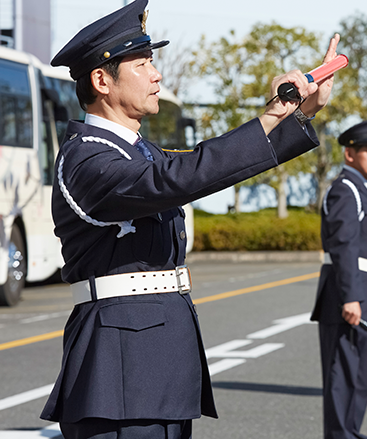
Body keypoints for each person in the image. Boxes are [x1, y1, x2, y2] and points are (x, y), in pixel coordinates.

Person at [39, 1, 340, 437]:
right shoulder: (85, 156)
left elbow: (202, 165)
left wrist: (302, 112)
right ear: (102, 80)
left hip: (161, 360)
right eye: (142, 65)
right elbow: (180, 177)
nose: (156, 75)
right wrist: (274, 113)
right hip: (121, 366)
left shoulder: (140, 150)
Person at [311, 120, 367, 439]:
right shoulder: (346, 190)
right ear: (349, 155)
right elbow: (343, 246)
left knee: (359, 376)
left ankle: (350, 433)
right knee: (343, 376)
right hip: (349, 296)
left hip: (366, 295)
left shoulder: (364, 190)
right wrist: (350, 296)